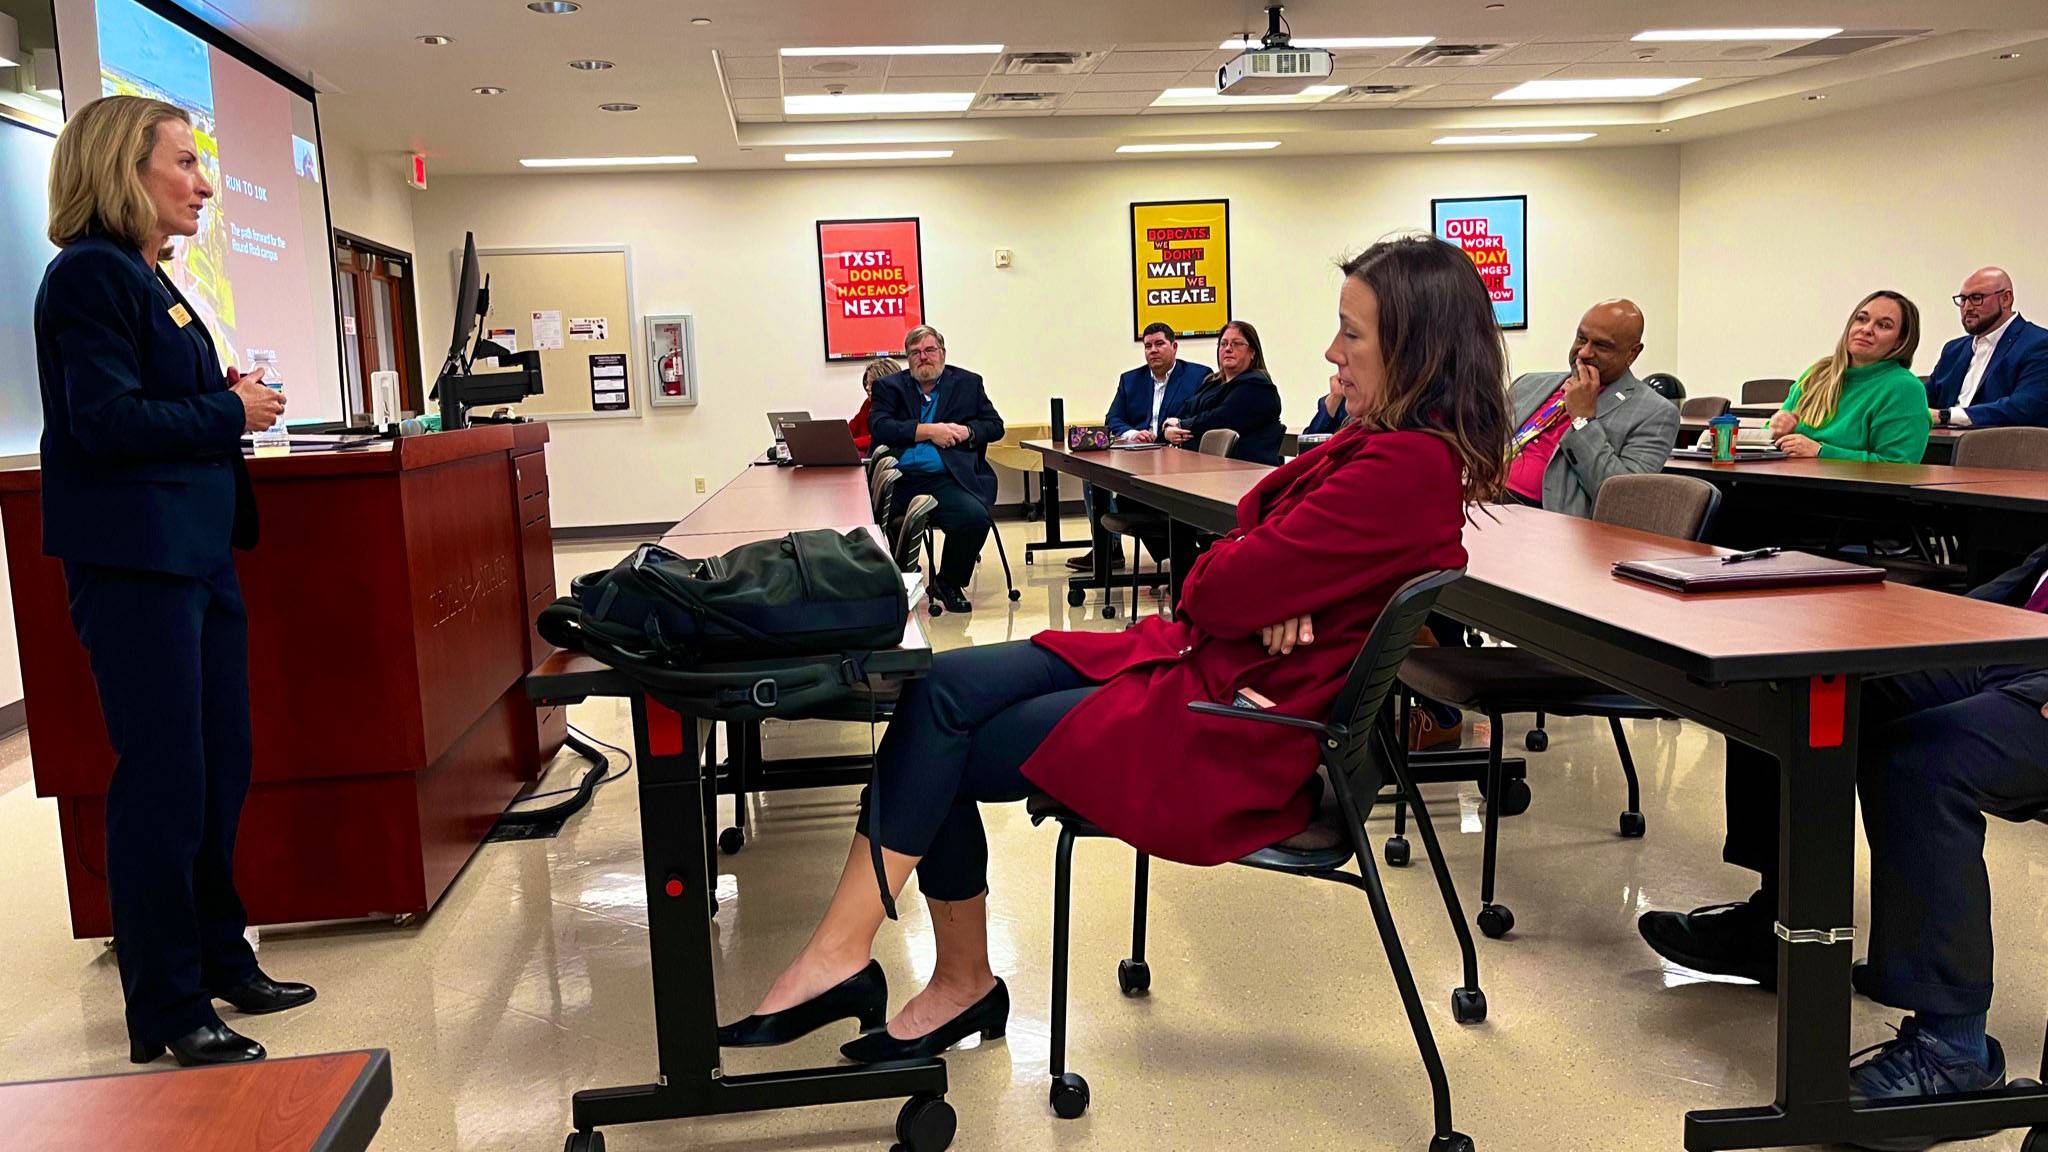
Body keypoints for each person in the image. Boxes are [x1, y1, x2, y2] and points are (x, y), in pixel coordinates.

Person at [714, 233, 1509, 1067]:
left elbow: (1212, 586)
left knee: (938, 734)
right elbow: (1240, 568)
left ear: (1414, 348)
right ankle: (878, 963)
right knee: (936, 685)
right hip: (1201, 660)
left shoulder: (1400, 467)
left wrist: (1268, 592)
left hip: (1227, 723)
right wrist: (1276, 592)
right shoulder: (1385, 449)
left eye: (1352, 333)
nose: (1330, 351)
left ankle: (910, 972)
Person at [34, 95, 312, 1068]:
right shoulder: (90, 280)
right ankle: (165, 1008)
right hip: (138, 564)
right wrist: (229, 409)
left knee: (219, 769)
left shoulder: (160, 280)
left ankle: (221, 958)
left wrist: (220, 401)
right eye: (186, 163)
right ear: (122, 169)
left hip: (195, 556)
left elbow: (173, 399)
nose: (202, 183)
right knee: (164, 784)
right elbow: (104, 424)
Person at [1637, 543, 2048, 1142]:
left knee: (1920, 765)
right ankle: (1778, 925)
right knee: (1785, 679)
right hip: (2019, 646)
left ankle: (1956, 1051)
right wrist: (1939, 625)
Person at [870, 327, 1003, 614]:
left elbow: (995, 426)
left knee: (974, 517)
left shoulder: (968, 383)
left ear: (942, 353)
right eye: (915, 353)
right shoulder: (889, 387)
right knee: (870, 524)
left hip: (946, 478)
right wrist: (929, 431)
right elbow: (880, 428)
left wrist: (967, 431)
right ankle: (890, 590)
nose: (923, 358)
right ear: (907, 359)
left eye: (929, 350)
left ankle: (948, 583)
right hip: (900, 480)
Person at [1503, 299, 1679, 516]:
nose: (1584, 352)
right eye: (1581, 339)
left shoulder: (1656, 413)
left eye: (1601, 346)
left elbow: (1622, 499)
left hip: (1543, 519)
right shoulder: (1529, 383)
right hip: (1477, 500)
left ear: (1632, 353)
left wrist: (1582, 420)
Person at [1066, 323, 1209, 573]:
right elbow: (1113, 418)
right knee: (1093, 477)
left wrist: (1169, 431)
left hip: (1178, 459)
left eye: (1159, 344)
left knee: (1135, 501)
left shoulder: (1198, 376)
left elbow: (1202, 416)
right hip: (1137, 455)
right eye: (1148, 346)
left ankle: (1184, 553)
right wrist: (1133, 433)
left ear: (1174, 347)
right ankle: (1109, 549)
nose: (1153, 350)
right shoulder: (1131, 380)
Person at [1767, 291, 1930, 463]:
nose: (1866, 329)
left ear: (1900, 341)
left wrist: (1821, 452)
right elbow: (1770, 436)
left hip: (1849, 489)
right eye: (1862, 319)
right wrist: (1776, 429)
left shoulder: (1904, 389)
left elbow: (1898, 467)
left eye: (1883, 325)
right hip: (1789, 480)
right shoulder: (1818, 373)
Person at [1926, 267, 2048, 429]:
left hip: (1998, 448)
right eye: (1963, 299)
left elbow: (2024, 407)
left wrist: (1946, 416)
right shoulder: (1953, 350)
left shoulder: (2038, 344)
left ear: (2006, 298)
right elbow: (1924, 397)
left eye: (1977, 298)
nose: (1967, 307)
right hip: (1940, 444)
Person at [1162, 320, 1285, 464]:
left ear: (1252, 352)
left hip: (1244, 470)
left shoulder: (1258, 386)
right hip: (1205, 466)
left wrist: (1181, 426)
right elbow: (1185, 410)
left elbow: (1219, 419)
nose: (1228, 349)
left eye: (1237, 343)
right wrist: (1168, 430)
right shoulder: (1211, 382)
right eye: (1223, 343)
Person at [848, 357, 899, 455]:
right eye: (867, 383)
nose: (867, 387)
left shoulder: (900, 407)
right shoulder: (868, 403)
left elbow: (881, 438)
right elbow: (851, 428)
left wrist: (852, 443)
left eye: (871, 383)